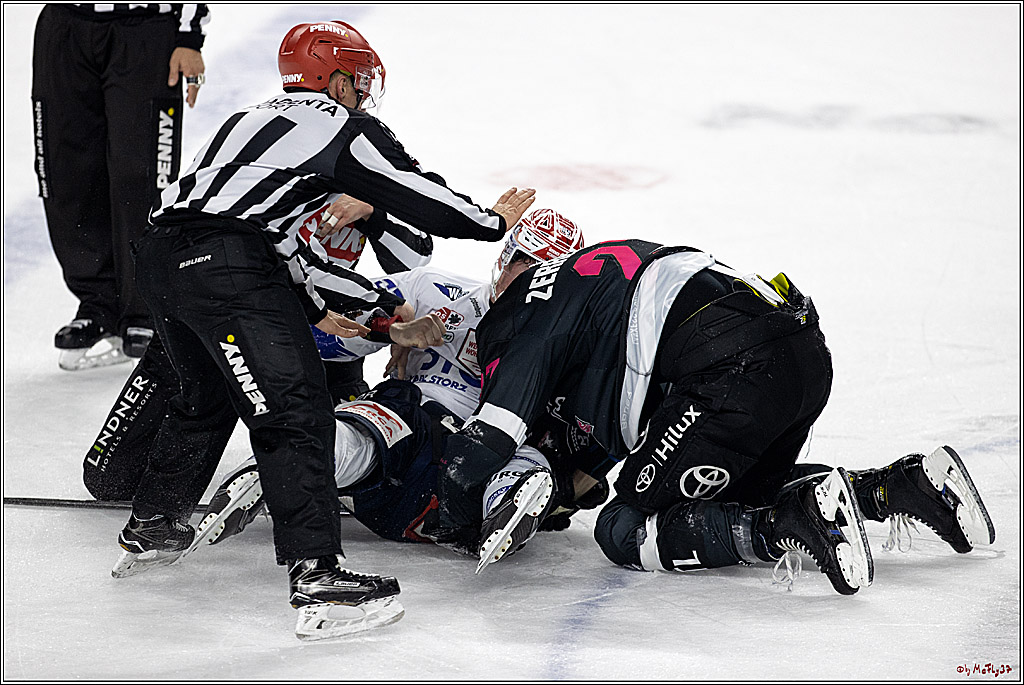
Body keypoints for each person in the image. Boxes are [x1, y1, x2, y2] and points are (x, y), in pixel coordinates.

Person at [109, 19, 536, 642]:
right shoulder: (342, 126)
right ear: (330, 76)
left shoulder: (246, 120)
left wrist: (311, 310)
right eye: (357, 79)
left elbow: (254, 224)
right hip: (232, 267)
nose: (363, 93)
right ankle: (319, 578)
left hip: (159, 257)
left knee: (199, 398)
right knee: (295, 411)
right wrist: (489, 223)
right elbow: (412, 193)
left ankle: (152, 526)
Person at [430, 240, 996, 594]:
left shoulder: (526, 313)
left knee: (623, 529)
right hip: (798, 351)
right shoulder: (593, 285)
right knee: (738, 493)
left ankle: (785, 526)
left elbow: (485, 442)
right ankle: (900, 487)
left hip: (731, 366)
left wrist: (451, 517)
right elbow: (606, 429)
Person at [187, 209, 611, 571]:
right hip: (400, 456)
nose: (536, 286)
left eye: (551, 276)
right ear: (503, 259)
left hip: (456, 498)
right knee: (391, 417)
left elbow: (605, 431)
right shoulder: (433, 290)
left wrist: (571, 485)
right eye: (527, 266)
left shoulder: (577, 349)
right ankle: (296, 464)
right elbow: (315, 334)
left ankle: (513, 498)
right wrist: (390, 330)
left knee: (540, 454)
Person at [83, 194, 432, 503]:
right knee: (110, 479)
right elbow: (289, 262)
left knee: (349, 455)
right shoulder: (284, 154)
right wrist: (386, 308)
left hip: (319, 318)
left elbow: (416, 252)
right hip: (219, 302)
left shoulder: (374, 155)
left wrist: (372, 210)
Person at [32, 3, 211, 370]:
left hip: (144, 30)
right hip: (64, 27)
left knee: (141, 174)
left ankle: (144, 309)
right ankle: (96, 302)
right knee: (64, 173)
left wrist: (190, 35)